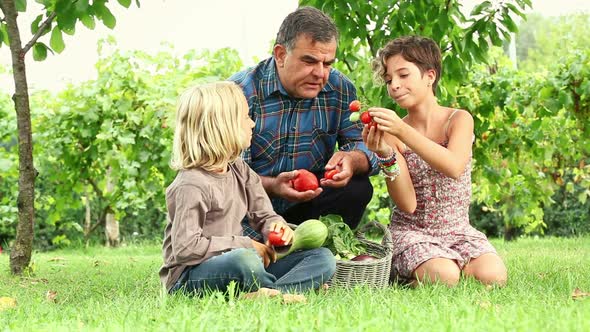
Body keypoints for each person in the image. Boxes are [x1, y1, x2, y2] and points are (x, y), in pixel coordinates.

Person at [159, 82, 336, 297]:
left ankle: (267, 294)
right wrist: (245, 244)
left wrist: (276, 229)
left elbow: (265, 215)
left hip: (242, 265)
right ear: (222, 127)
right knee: (244, 260)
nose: (252, 123)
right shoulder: (191, 184)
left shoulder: (239, 169)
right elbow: (185, 248)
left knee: (322, 257)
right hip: (191, 278)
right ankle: (284, 290)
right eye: (245, 117)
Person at [363, 36, 507, 287]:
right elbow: (407, 204)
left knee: (493, 276)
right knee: (446, 276)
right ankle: (411, 273)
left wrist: (403, 132)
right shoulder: (392, 133)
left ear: (430, 75)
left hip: (458, 232)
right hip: (412, 234)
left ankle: (428, 271)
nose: (394, 85)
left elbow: (453, 166)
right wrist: (386, 154)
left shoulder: (459, 119)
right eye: (389, 80)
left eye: (403, 75)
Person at [229, 6, 379, 233]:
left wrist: (351, 159)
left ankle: (324, 247)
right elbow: (223, 175)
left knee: (357, 187)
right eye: (309, 61)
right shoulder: (240, 93)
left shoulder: (339, 88)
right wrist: (273, 186)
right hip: (251, 206)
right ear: (280, 55)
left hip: (309, 202)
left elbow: (367, 146)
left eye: (327, 63)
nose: (320, 73)